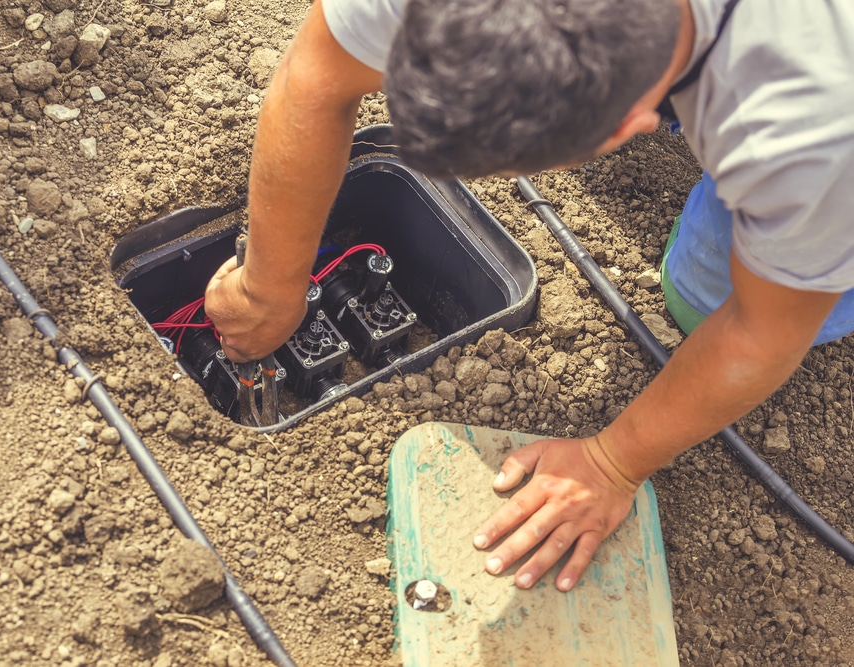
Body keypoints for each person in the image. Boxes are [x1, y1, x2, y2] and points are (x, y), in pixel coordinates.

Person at [205, 0, 854, 592]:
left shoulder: (811, 127)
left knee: (705, 300)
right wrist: (268, 285)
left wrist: (612, 463)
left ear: (628, 130)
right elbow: (318, 75)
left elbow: (762, 330)